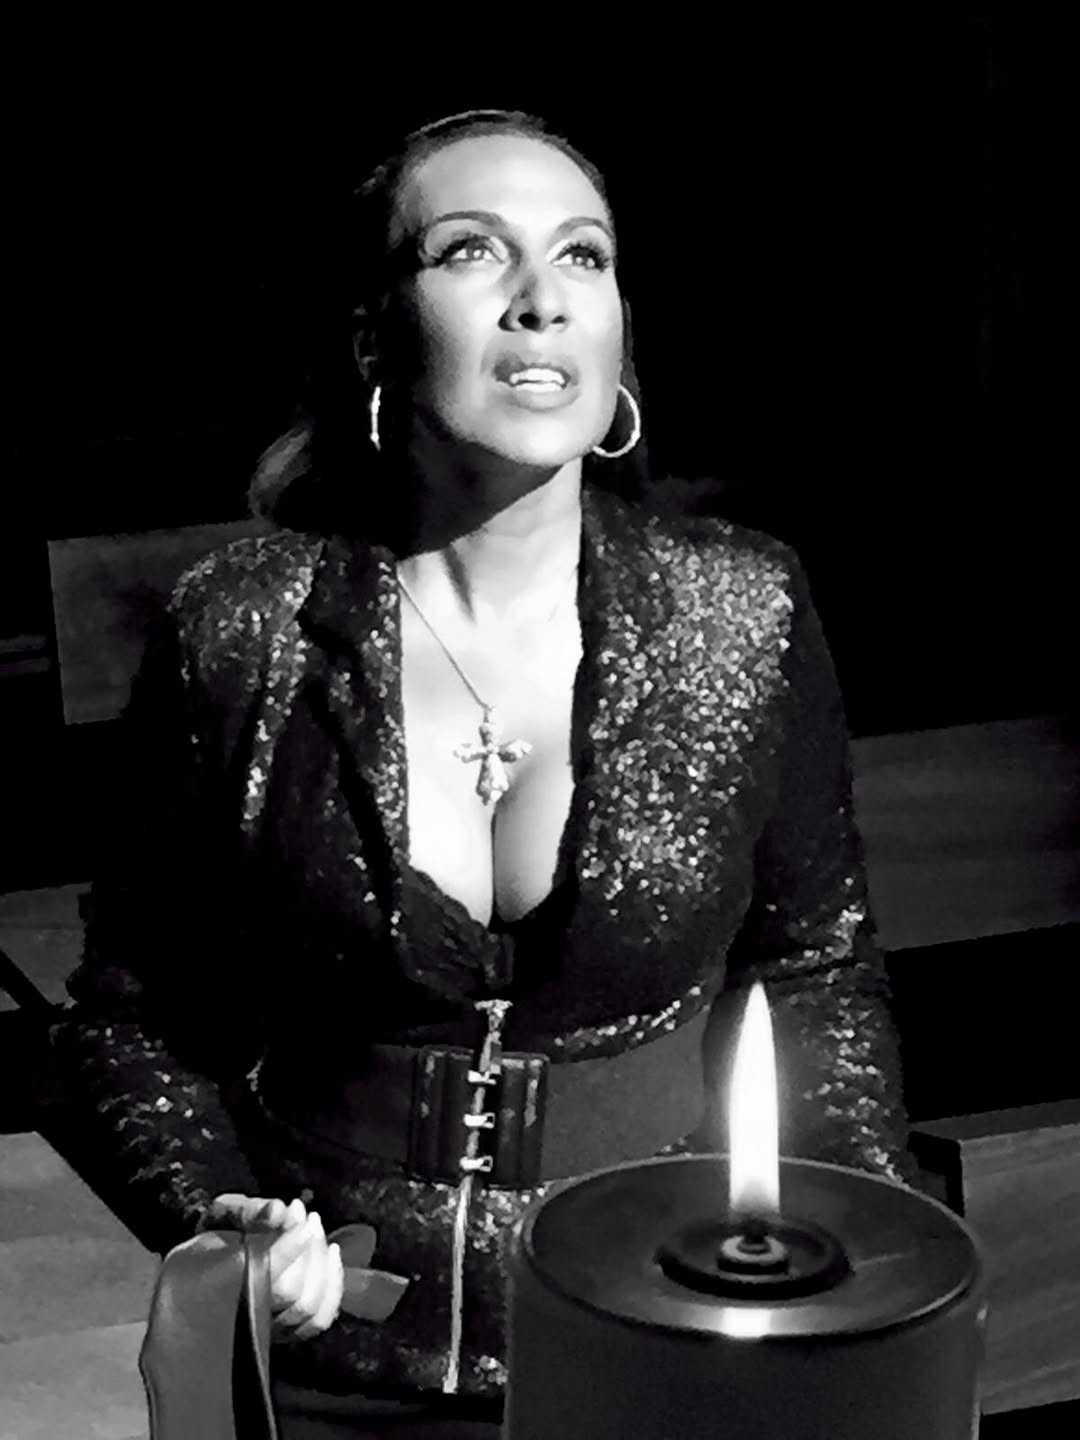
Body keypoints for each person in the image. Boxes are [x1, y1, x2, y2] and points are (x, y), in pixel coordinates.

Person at [55, 108, 915, 1437]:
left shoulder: (743, 610)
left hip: (668, 1327)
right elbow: (131, 1019)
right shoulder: (240, 628)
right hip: (339, 1351)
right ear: (374, 339)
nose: (539, 299)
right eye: (471, 250)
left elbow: (815, 973)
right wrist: (223, 1224)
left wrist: (860, 1282)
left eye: (583, 255)